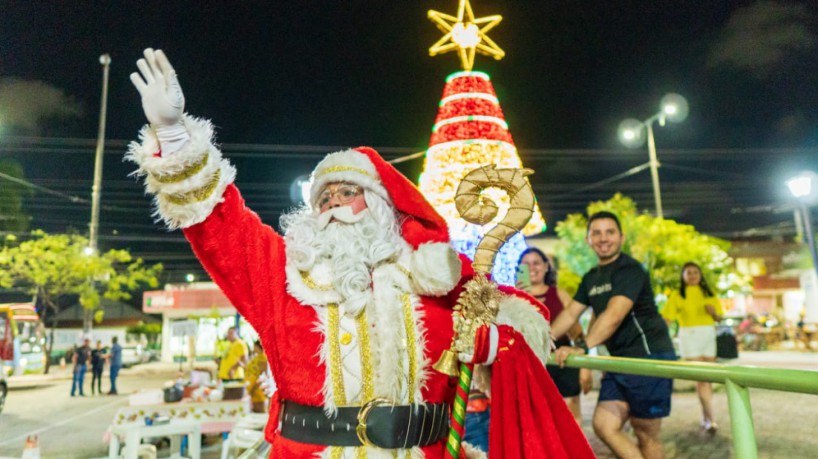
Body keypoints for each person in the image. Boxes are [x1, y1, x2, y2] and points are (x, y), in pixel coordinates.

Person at [126, 48, 593, 458]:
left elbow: (521, 324)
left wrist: (491, 343)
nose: (332, 206)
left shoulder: (432, 274)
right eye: (323, 199)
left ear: (383, 208)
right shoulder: (285, 274)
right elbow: (220, 227)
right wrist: (174, 137)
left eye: (347, 193)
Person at [552, 211, 676, 459]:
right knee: (604, 424)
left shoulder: (630, 269)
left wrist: (583, 347)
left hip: (648, 358)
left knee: (645, 432)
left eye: (610, 232)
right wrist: (535, 342)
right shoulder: (591, 277)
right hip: (620, 361)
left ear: (621, 237)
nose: (603, 238)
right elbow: (569, 315)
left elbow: (614, 314)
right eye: (596, 233)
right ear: (588, 239)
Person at [517, 247, 593, 424]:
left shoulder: (559, 294)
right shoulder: (513, 297)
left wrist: (585, 367)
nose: (531, 268)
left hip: (561, 362)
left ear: (546, 267)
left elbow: (577, 334)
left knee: (570, 421)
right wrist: (521, 298)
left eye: (536, 263)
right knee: (535, 422)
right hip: (529, 366)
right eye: (525, 264)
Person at [661, 262, 723, 434]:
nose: (693, 275)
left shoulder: (709, 293)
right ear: (683, 276)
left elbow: (719, 317)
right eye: (689, 273)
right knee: (701, 378)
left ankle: (706, 415)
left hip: (708, 335)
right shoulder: (677, 295)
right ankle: (711, 418)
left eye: (696, 272)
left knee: (708, 378)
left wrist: (714, 313)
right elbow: (667, 319)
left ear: (700, 274)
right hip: (689, 335)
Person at [245, 340, 270, 413]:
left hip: (256, 388)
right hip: (251, 387)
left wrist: (254, 387)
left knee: (260, 411)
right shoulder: (257, 357)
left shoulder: (262, 357)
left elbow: (262, 374)